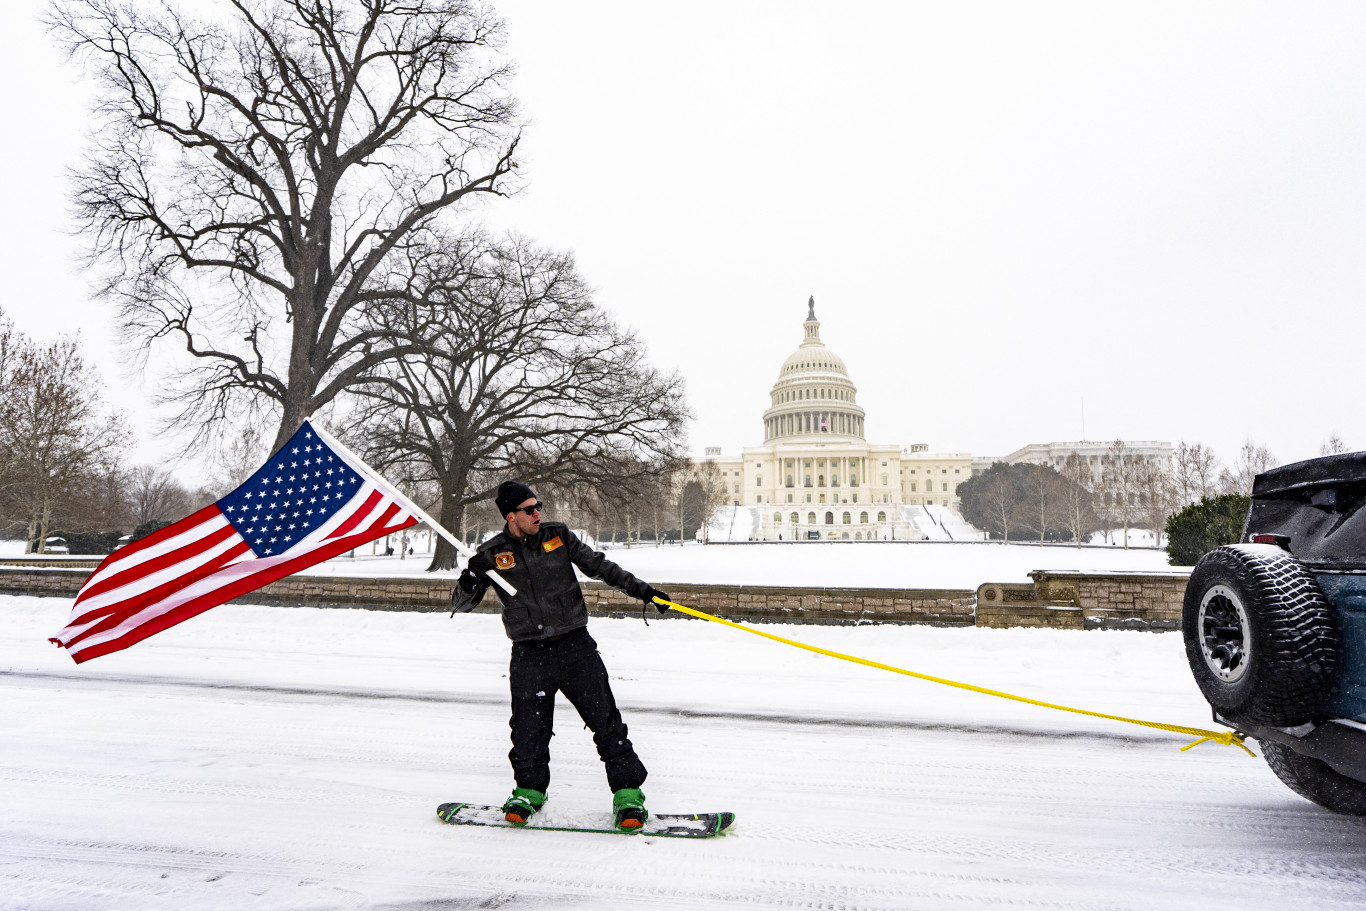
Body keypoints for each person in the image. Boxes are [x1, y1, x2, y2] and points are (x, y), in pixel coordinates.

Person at [450, 480, 671, 831]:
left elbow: (600, 566)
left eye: (538, 506)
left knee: (606, 723)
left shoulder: (558, 536)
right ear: (510, 516)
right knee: (528, 732)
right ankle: (529, 792)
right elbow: (460, 605)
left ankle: (628, 794)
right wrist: (471, 578)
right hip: (528, 655)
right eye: (528, 509)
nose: (537, 513)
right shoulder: (491, 554)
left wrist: (643, 591)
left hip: (575, 647)